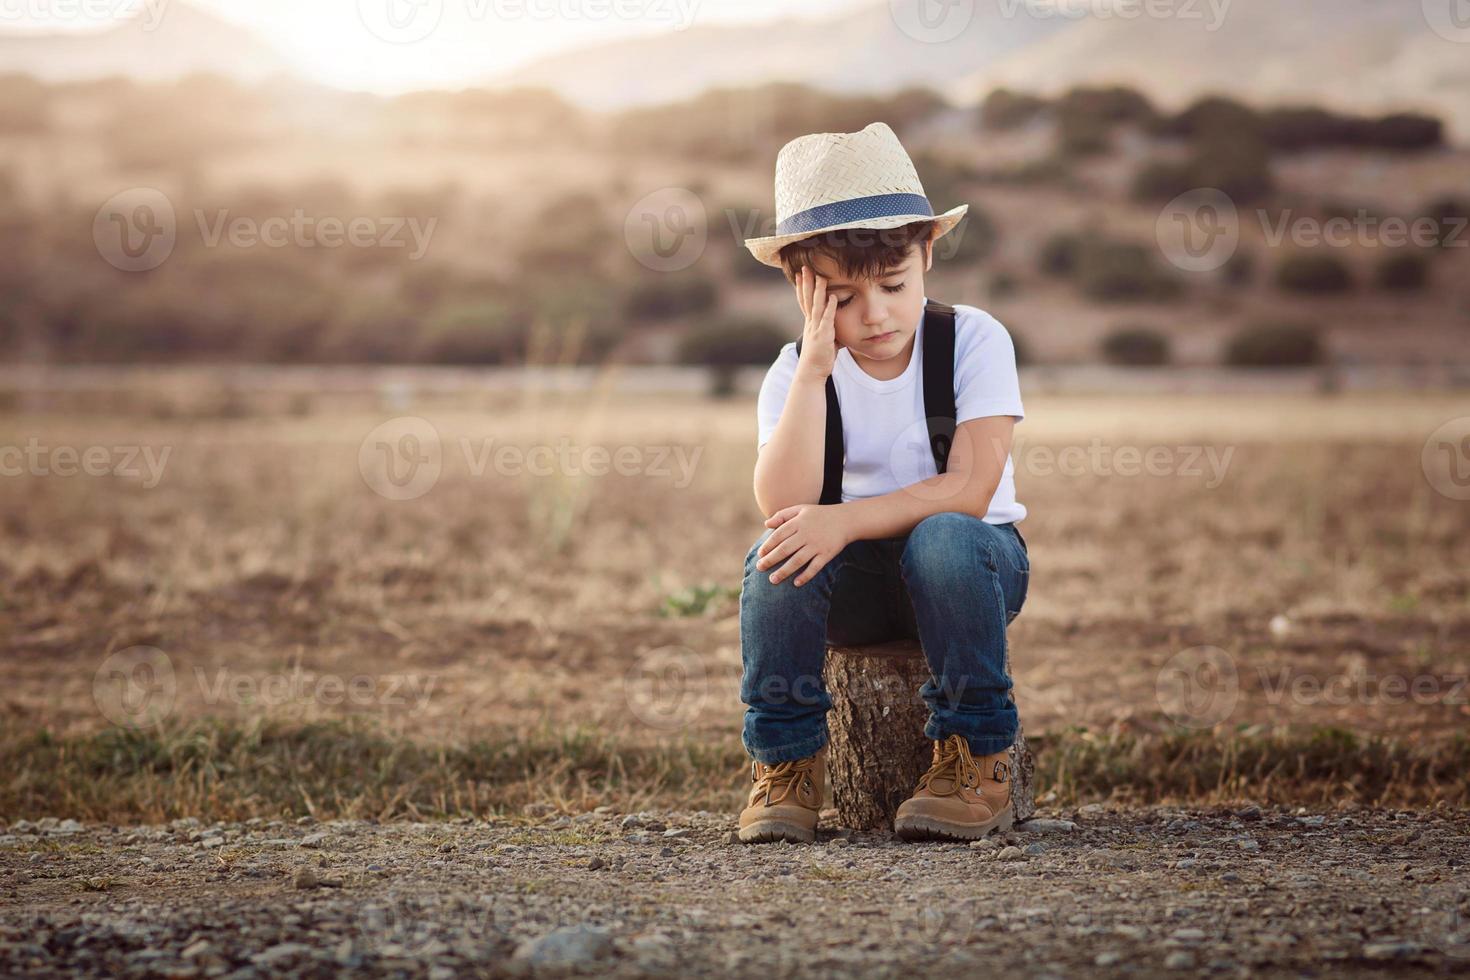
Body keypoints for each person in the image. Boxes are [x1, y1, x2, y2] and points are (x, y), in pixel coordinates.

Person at [736, 121, 1030, 844]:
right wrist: (812, 371)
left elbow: (970, 487)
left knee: (945, 537)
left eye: (893, 286)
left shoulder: (973, 338)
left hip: (974, 568)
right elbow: (783, 503)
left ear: (927, 252)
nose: (874, 315)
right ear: (797, 285)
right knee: (776, 554)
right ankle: (788, 767)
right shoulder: (793, 373)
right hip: (859, 592)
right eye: (839, 296)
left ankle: (976, 758)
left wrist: (843, 520)